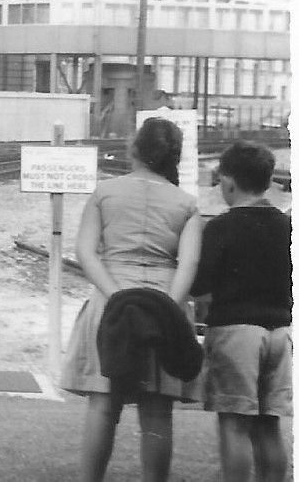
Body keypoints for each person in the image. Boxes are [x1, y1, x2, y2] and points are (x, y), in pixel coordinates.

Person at [59, 117, 203, 482]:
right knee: (156, 411)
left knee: (104, 404)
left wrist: (117, 296)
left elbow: (86, 252)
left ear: (135, 149)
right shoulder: (187, 203)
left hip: (111, 306)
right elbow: (189, 262)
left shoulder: (105, 193)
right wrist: (167, 307)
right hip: (163, 303)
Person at [191, 141, 292, 482]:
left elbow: (200, 285)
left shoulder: (222, 226)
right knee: (269, 425)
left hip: (236, 333)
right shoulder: (288, 226)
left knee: (234, 425)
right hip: (280, 333)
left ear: (229, 182)